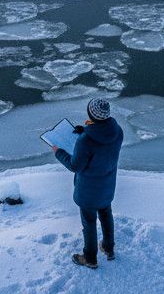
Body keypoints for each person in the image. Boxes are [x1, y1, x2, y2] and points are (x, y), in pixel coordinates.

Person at [53, 97, 124, 269]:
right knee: (106, 214)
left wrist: (58, 152)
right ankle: (108, 248)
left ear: (91, 114)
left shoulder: (86, 141)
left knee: (89, 222)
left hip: (88, 191)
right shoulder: (117, 131)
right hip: (107, 185)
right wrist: (85, 130)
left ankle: (90, 258)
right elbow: (101, 140)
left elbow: (75, 166)